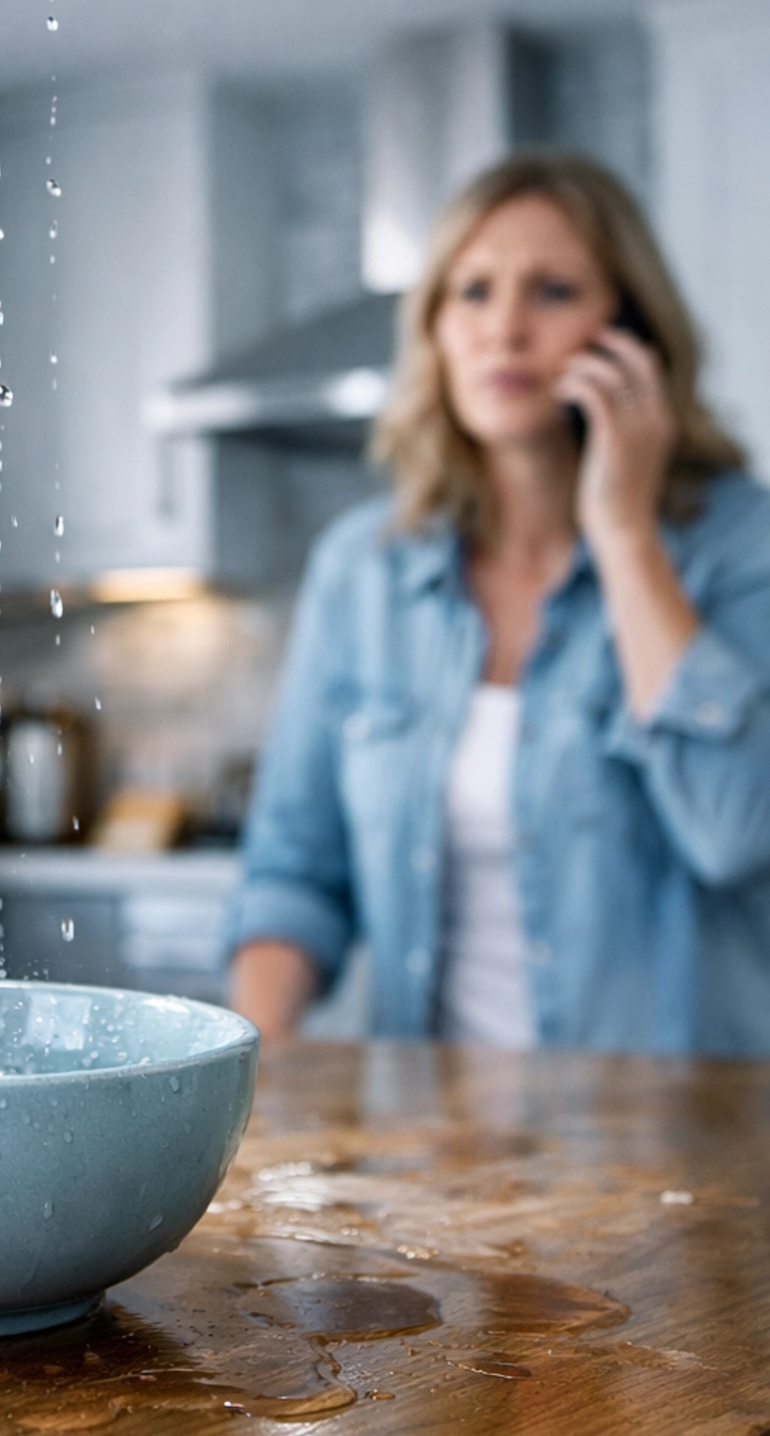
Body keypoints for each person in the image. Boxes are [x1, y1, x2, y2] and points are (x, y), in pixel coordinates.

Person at [226, 150, 770, 1054]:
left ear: (630, 332)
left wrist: (626, 534)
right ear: (435, 329)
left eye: (553, 290)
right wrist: (250, 1069)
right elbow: (295, 871)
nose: (504, 328)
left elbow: (736, 833)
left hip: (685, 1148)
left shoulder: (738, 545)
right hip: (437, 1147)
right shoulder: (360, 572)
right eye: (472, 292)